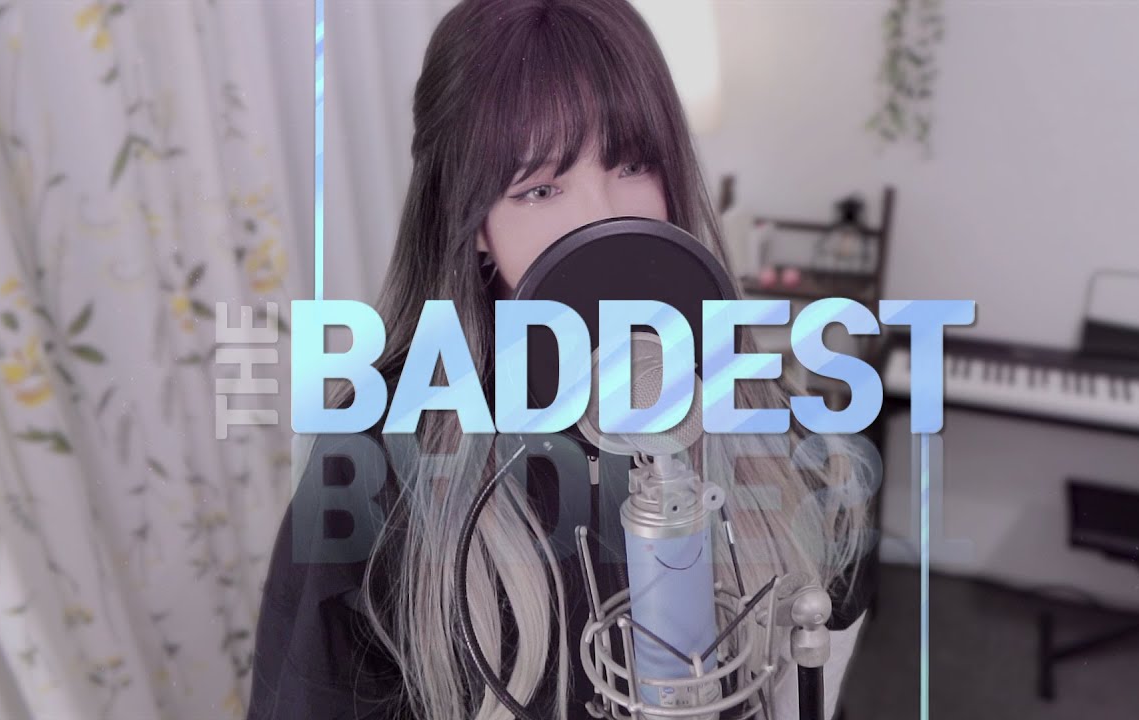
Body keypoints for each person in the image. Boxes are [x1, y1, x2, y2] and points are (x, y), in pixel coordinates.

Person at [247, 1, 878, 718]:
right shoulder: (374, 454)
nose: (604, 218)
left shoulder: (757, 399)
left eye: (633, 164)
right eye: (541, 189)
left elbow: (827, 628)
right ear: (470, 219)